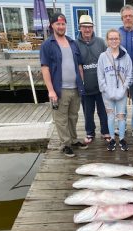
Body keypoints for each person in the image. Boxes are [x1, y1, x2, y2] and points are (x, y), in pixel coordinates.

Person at [40, 13, 88, 158]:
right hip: (59, 90)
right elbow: (45, 68)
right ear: (52, 26)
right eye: (58, 24)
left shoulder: (72, 42)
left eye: (63, 24)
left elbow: (79, 64)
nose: (61, 27)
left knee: (73, 117)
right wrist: (50, 90)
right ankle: (65, 144)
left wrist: (82, 80)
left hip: (75, 88)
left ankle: (73, 140)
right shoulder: (47, 45)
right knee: (61, 119)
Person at [76, 15, 110, 144]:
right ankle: (90, 133)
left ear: (92, 28)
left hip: (101, 87)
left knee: (103, 111)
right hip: (86, 88)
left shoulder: (101, 42)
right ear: (80, 28)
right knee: (88, 113)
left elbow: (107, 62)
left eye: (89, 27)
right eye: (84, 27)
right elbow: (76, 65)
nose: (87, 30)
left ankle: (105, 131)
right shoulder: (75, 44)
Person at [97, 29, 133, 151]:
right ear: (107, 40)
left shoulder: (126, 56)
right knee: (111, 116)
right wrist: (106, 90)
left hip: (121, 93)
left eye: (116, 38)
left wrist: (124, 89)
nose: (114, 41)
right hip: (107, 93)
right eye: (111, 38)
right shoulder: (103, 56)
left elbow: (129, 75)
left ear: (119, 40)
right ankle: (112, 139)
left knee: (121, 117)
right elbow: (100, 76)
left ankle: (122, 139)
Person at [119, 4, 133, 137]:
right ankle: (122, 125)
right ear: (122, 18)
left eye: (130, 16)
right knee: (121, 102)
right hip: (121, 77)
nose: (128, 18)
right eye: (125, 16)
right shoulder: (118, 33)